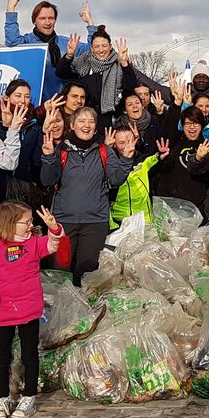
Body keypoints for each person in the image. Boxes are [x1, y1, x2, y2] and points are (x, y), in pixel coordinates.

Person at [0, 202, 64, 418]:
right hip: (0, 310)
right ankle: (2, 397)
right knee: (0, 357)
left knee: (29, 355)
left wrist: (54, 228)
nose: (30, 225)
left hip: (28, 309)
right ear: (9, 224)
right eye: (26, 222)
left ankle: (29, 396)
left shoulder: (32, 244)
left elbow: (53, 245)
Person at [40, 107, 132, 285]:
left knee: (87, 275)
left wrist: (126, 160)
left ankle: (83, 310)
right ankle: (56, 311)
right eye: (81, 121)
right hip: (63, 222)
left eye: (91, 121)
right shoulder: (61, 151)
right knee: (59, 271)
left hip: (95, 223)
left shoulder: (104, 151)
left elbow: (115, 179)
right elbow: (47, 180)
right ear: (72, 125)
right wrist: (49, 157)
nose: (86, 125)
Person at [3, 0, 93, 103]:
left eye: (51, 18)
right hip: (35, 103)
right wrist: (11, 10)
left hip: (62, 103)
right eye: (42, 18)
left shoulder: (66, 43)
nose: (47, 22)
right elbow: (11, 41)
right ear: (34, 21)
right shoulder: (28, 42)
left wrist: (89, 22)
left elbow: (93, 49)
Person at [56, 26, 136, 117]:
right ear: (91, 48)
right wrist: (69, 55)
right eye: (97, 46)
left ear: (110, 47)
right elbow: (61, 73)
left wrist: (124, 63)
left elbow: (131, 87)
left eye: (104, 46)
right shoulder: (83, 61)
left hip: (110, 118)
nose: (101, 50)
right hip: (84, 117)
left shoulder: (118, 64)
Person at [108, 124, 168, 226]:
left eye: (130, 141)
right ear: (114, 144)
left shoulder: (143, 160)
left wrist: (162, 156)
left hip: (145, 220)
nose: (127, 146)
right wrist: (106, 148)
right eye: (121, 143)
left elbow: (156, 159)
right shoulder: (110, 164)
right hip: (119, 221)